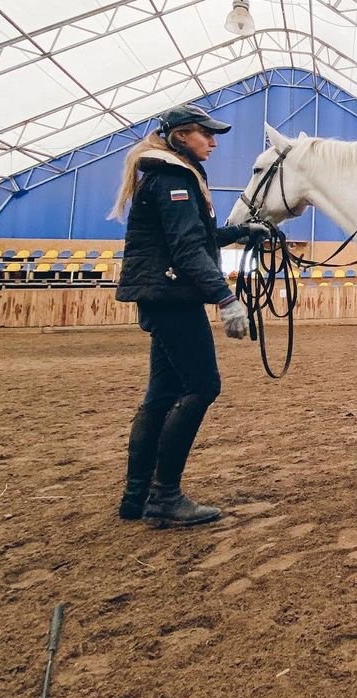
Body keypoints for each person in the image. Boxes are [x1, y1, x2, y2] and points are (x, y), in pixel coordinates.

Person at [111, 102, 268, 527]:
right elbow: (186, 250)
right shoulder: (175, 179)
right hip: (173, 295)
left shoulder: (168, 177)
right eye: (206, 134)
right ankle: (165, 496)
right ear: (181, 135)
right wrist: (225, 298)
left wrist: (243, 231)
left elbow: (198, 235)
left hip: (162, 296)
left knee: (162, 394)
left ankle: (136, 496)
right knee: (203, 385)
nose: (214, 142)